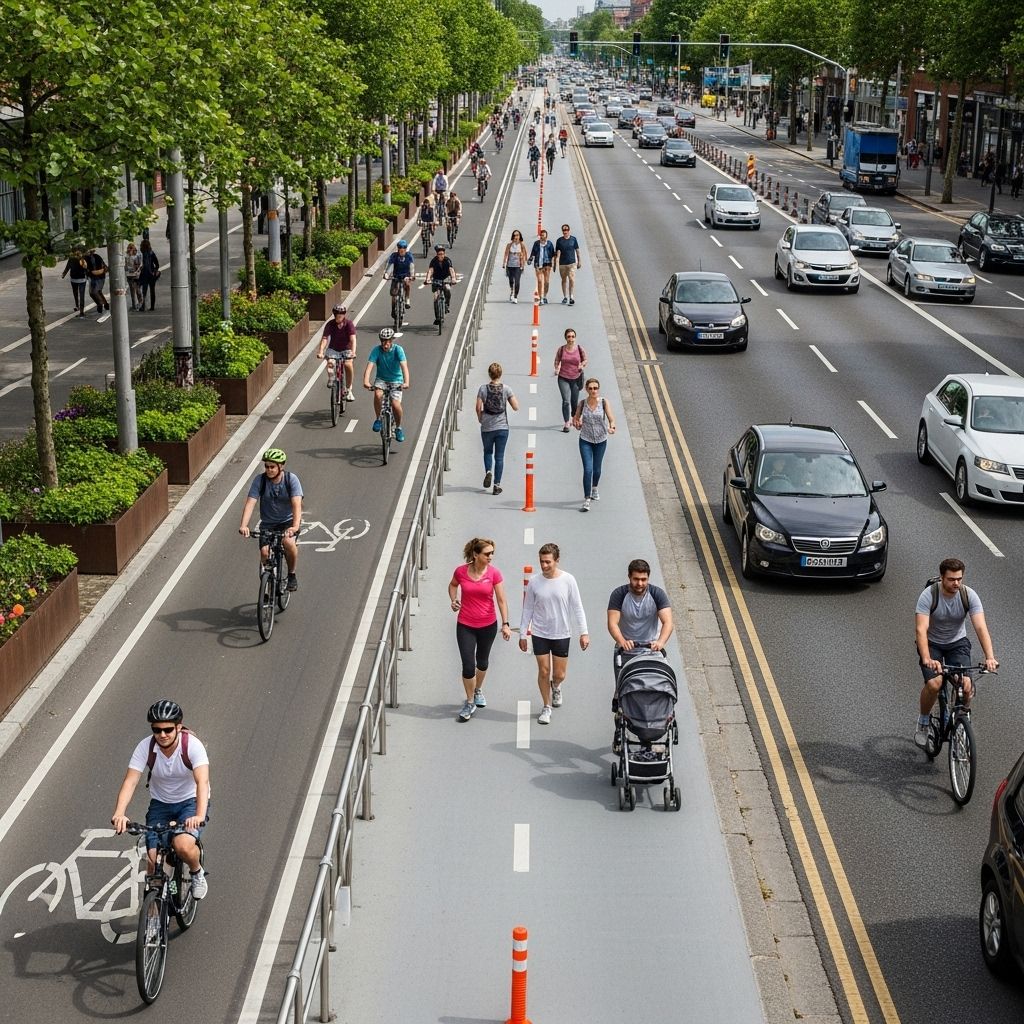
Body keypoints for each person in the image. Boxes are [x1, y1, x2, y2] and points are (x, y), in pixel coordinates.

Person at [111, 699, 210, 898]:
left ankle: (197, 872)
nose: (162, 735)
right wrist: (119, 813)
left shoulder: (192, 746)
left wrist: (199, 815)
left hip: (190, 802)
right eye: (157, 730)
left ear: (178, 727)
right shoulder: (145, 747)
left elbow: (202, 782)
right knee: (153, 860)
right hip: (161, 804)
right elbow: (130, 782)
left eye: (167, 729)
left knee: (182, 845)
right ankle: (154, 914)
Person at [914, 558, 998, 747]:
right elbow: (921, 629)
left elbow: (980, 627)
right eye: (952, 579)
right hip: (932, 643)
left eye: (959, 579)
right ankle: (924, 721)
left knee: (966, 685)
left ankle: (963, 721)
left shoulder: (969, 595)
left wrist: (990, 657)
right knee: (935, 683)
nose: (956, 583)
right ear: (942, 578)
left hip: (956, 643)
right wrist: (927, 658)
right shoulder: (928, 595)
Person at [519, 543, 589, 725]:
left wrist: (584, 632)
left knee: (559, 674)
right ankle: (546, 706)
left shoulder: (568, 580)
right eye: (541, 562)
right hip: (540, 632)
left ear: (557, 561)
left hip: (561, 633)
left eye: (548, 562)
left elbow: (578, 607)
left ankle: (556, 686)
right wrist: (523, 634)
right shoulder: (534, 581)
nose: (544, 566)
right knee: (543, 671)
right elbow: (527, 609)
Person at [448, 538, 513, 722]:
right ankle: (470, 702)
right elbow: (452, 585)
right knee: (468, 665)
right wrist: (453, 600)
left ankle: (477, 690)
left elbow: (501, 600)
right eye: (487, 553)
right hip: (465, 625)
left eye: (492, 553)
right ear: (476, 555)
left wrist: (505, 624)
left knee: (482, 662)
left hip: (488, 625)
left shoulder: (494, 574)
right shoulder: (461, 571)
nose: (491, 556)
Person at [238, 448, 304, 591]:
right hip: (267, 523)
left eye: (272, 467)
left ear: (281, 466)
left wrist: (295, 526)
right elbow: (250, 503)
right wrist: (244, 525)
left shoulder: (291, 480)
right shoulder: (260, 480)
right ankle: (267, 582)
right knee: (264, 553)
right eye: (267, 467)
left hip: (288, 522)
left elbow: (297, 505)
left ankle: (292, 575)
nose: (269, 470)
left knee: (288, 543)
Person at [607, 559, 674, 673]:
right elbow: (612, 623)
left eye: (644, 579)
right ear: (629, 577)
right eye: (636, 579)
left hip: (652, 651)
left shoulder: (657, 594)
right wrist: (622, 642)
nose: (640, 584)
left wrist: (660, 642)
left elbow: (668, 622)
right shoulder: (619, 594)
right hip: (626, 651)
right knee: (623, 688)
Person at [573, 377, 616, 512]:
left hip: (601, 440)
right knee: (588, 469)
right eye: (590, 388)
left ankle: (594, 487)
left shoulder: (603, 402)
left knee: (597, 470)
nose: (593, 390)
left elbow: (611, 418)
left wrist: (612, 427)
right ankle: (587, 499)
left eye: (595, 388)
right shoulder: (582, 404)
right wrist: (577, 424)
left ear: (598, 389)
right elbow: (576, 419)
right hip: (585, 440)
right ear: (586, 389)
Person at [476, 361, 519, 495]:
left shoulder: (483, 389)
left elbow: (478, 407)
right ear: (500, 374)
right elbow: (516, 406)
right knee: (499, 457)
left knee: (488, 451)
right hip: (502, 427)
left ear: (489, 374)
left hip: (487, 426)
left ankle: (488, 471)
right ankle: (497, 485)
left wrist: (481, 418)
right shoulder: (506, 389)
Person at [363, 327, 409, 443]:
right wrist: (366, 381)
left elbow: (404, 367)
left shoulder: (398, 350)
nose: (385, 343)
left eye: (388, 341)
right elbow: (369, 367)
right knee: (378, 394)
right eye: (383, 340)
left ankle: (398, 428)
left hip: (396, 380)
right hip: (381, 380)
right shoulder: (376, 350)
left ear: (392, 341)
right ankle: (378, 419)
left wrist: (406, 382)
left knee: (395, 404)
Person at [316, 303, 357, 401]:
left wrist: (353, 352)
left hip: (346, 349)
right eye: (338, 314)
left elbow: (353, 339)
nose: (340, 316)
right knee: (330, 362)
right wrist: (321, 351)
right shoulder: (330, 324)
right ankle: (331, 378)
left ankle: (349, 389)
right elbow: (325, 338)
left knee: (348, 365)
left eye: (342, 314)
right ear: (334, 315)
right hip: (333, 349)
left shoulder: (349, 324)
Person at [554, 328, 587, 432]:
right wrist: (557, 368)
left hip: (576, 378)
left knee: (574, 401)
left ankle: (574, 418)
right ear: (565, 338)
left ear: (575, 337)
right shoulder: (561, 349)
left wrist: (582, 365)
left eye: (573, 336)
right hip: (563, 378)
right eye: (569, 336)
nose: (571, 339)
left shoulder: (579, 349)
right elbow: (557, 360)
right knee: (566, 401)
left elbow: (585, 359)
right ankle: (567, 422)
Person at [383, 240, 415, 322]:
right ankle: (393, 309)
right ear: (398, 249)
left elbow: (411, 266)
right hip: (396, 276)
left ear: (405, 249)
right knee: (394, 295)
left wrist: (412, 275)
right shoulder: (394, 256)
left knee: (407, 285)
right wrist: (387, 274)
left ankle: (407, 298)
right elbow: (390, 265)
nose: (402, 249)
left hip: (406, 276)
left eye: (403, 248)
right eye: (400, 248)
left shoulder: (409, 256)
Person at [424, 244, 456, 323]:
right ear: (437, 255)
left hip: (445, 278)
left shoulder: (447, 260)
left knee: (447, 289)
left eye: (442, 254)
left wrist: (453, 278)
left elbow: (451, 270)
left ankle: (447, 304)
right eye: (439, 254)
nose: (441, 256)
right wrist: (428, 279)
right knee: (435, 297)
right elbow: (430, 270)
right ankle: (437, 317)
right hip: (436, 279)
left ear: (444, 254)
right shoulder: (434, 261)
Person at [553, 224, 582, 305]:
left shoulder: (573, 239)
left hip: (572, 263)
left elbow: (577, 251)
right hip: (562, 264)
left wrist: (579, 261)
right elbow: (557, 252)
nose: (565, 231)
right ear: (562, 231)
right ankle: (565, 297)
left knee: (571, 279)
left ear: (569, 230)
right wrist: (555, 264)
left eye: (566, 230)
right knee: (564, 280)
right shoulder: (559, 241)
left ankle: (571, 296)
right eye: (564, 230)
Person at [528, 228, 555, 304]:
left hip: (547, 265)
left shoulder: (549, 244)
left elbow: (553, 254)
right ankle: (541, 298)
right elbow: (533, 253)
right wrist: (530, 259)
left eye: (543, 235)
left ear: (546, 236)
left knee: (546, 282)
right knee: (539, 281)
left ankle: (545, 296)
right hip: (538, 264)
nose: (542, 237)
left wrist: (554, 263)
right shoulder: (536, 243)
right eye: (541, 235)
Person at [502, 229, 528, 303]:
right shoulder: (509, 245)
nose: (516, 237)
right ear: (512, 236)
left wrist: (525, 261)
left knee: (517, 281)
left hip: (518, 266)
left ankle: (515, 297)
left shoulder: (522, 245)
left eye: (517, 235)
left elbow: (525, 253)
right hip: (510, 265)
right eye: (515, 235)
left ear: (520, 236)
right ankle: (512, 291)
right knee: (511, 281)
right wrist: (504, 263)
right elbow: (506, 254)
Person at [61, 247, 88, 316]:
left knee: (79, 294)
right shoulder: (72, 259)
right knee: (78, 294)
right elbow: (67, 267)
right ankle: (79, 308)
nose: (77, 253)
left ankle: (80, 309)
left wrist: (64, 274)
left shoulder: (82, 259)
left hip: (79, 279)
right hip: (77, 279)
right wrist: (64, 274)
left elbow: (86, 267)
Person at [85, 246, 110, 317]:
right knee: (98, 291)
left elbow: (104, 267)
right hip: (98, 276)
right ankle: (105, 304)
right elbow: (105, 267)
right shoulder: (95, 256)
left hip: (97, 277)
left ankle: (100, 305)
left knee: (93, 292)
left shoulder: (91, 257)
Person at [139, 239, 160, 311]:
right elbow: (157, 264)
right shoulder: (151, 253)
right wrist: (155, 271)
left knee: (144, 291)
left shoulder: (141, 254)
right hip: (151, 274)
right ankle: (152, 307)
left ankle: (143, 306)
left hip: (144, 274)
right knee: (152, 290)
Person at [124, 242, 143, 312]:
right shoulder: (127, 256)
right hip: (129, 275)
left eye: (130, 249)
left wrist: (136, 271)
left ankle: (141, 303)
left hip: (136, 276)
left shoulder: (137, 255)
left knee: (137, 290)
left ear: (133, 249)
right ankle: (134, 305)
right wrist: (127, 270)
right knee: (132, 291)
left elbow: (140, 265)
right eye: (128, 250)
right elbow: (126, 266)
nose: (129, 251)